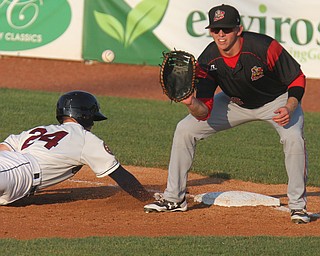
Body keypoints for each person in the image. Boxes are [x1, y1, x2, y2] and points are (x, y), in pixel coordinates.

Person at [144, 4, 309, 224]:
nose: (220, 34)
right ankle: (174, 198)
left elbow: (297, 78)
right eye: (215, 29)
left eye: (226, 29)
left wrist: (290, 107)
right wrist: (191, 103)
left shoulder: (264, 46)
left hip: (277, 102)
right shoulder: (208, 60)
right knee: (185, 129)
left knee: (293, 138)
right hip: (234, 103)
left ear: (238, 30)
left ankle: (298, 207)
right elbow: (204, 112)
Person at [0, 90, 152, 205]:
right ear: (85, 116)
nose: (92, 125)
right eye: (93, 120)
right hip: (19, 171)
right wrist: (146, 198)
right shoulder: (85, 138)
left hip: (11, 165)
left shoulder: (41, 130)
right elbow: (120, 175)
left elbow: (4, 148)